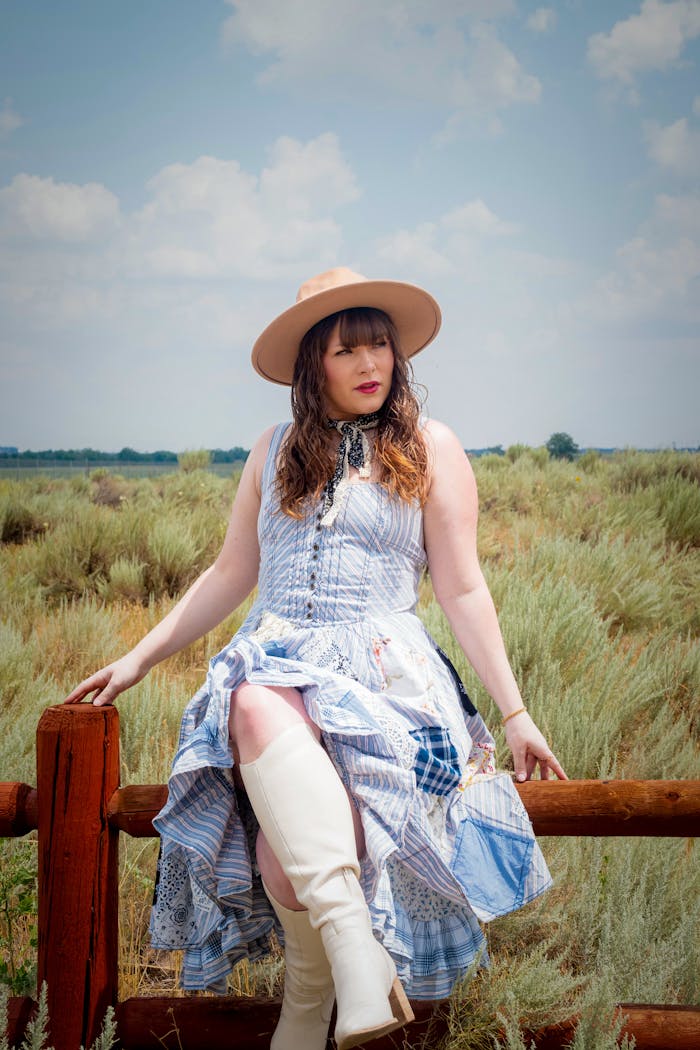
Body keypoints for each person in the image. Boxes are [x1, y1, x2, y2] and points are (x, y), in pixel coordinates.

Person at [65, 267, 567, 1050]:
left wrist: (515, 710)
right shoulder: (272, 449)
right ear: (313, 365)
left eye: (380, 348)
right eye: (347, 351)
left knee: (284, 859)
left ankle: (314, 1013)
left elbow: (464, 590)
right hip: (279, 664)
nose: (371, 365)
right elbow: (233, 571)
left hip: (383, 676)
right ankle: (359, 963)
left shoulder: (429, 448)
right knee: (251, 695)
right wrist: (136, 659)